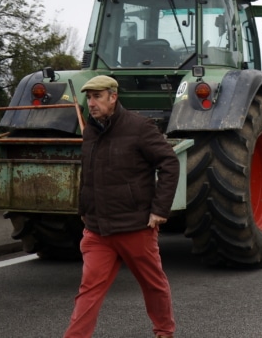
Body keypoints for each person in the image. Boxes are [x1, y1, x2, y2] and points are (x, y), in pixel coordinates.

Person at [64, 75, 180, 338]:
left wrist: (160, 210)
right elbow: (88, 174)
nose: (91, 103)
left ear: (113, 97)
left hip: (135, 227)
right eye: (89, 97)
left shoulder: (140, 127)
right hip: (97, 231)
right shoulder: (90, 131)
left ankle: (164, 331)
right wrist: (84, 209)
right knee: (89, 289)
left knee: (153, 285)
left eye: (97, 96)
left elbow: (170, 164)